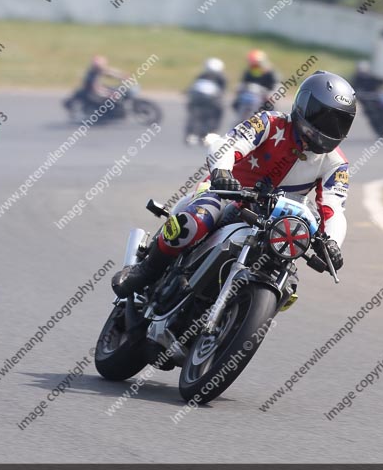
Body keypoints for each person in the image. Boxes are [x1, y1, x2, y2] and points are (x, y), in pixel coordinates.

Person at [112, 70, 356, 297]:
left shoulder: (337, 164)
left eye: (338, 123)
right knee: (195, 221)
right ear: (303, 105)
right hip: (226, 193)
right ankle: (146, 270)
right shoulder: (269, 123)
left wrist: (333, 242)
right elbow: (229, 144)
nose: (328, 129)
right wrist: (222, 172)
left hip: (277, 220)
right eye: (321, 117)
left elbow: (334, 208)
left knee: (289, 282)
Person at [185, 58, 227, 143]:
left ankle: (191, 135)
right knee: (215, 114)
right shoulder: (221, 78)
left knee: (194, 114)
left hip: (196, 97)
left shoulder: (201, 75)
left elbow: (192, 87)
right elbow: (222, 92)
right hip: (211, 99)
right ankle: (209, 134)